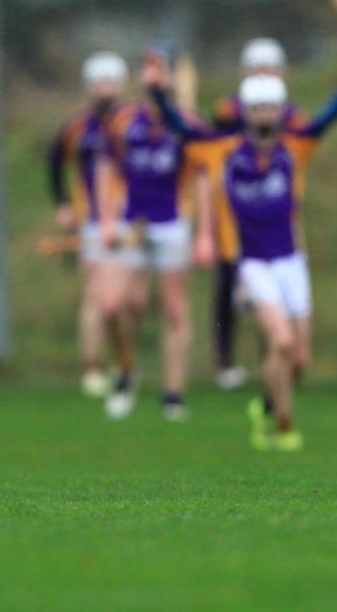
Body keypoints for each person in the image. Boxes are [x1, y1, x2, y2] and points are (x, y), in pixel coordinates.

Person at [147, 37, 337, 450]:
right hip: (252, 263)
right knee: (279, 340)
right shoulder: (220, 151)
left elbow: (334, 111)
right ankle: (285, 425)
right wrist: (156, 91)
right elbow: (182, 127)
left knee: (299, 359)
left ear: (281, 112)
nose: (264, 115)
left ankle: (267, 405)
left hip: (291, 260)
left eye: (271, 108)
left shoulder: (296, 148)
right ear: (244, 112)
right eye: (257, 108)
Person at [95, 48, 209, 422]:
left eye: (163, 71)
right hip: (130, 222)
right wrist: (107, 220)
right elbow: (106, 167)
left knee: (174, 310)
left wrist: (205, 233)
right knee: (112, 305)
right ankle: (127, 369)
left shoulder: (188, 123)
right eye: (150, 70)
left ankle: (173, 393)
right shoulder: (123, 121)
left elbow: (205, 177)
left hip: (172, 223)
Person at [206, 38, 309, 391]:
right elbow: (208, 155)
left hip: (277, 222)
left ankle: (273, 373)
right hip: (234, 214)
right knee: (225, 294)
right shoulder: (227, 112)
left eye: (270, 68)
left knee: (278, 316)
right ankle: (224, 359)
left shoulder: (291, 117)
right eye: (256, 68)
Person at [48, 52, 128, 398]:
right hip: (91, 223)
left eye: (110, 81)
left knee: (125, 300)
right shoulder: (76, 126)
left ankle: (123, 363)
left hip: (128, 223)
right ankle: (92, 367)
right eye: (98, 82)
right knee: (96, 297)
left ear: (122, 85)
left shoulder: (134, 123)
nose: (104, 88)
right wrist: (64, 204)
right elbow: (53, 164)